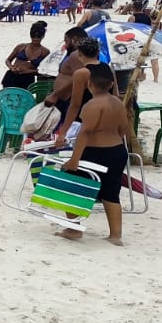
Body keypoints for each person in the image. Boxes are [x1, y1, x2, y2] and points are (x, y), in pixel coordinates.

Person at [59, 63, 132, 246]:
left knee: (72, 185)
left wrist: (74, 159)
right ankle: (116, 236)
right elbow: (124, 128)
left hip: (94, 152)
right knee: (111, 193)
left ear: (89, 84)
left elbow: (85, 133)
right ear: (111, 84)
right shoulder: (118, 103)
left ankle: (73, 228)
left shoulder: (92, 105)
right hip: (117, 151)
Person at [1, 22, 49, 90]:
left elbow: (44, 70)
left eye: (38, 37)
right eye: (33, 36)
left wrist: (29, 71)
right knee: (9, 96)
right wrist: (12, 68)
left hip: (28, 78)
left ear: (43, 36)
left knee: (23, 98)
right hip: (12, 75)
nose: (35, 38)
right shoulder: (21, 47)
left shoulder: (45, 52)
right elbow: (8, 60)